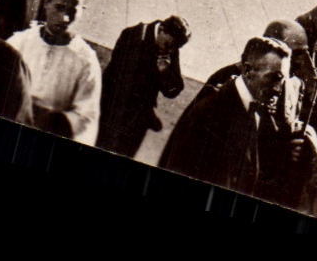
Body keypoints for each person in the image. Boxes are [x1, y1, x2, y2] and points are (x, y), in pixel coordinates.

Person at [158, 35, 290, 195]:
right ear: (248, 70)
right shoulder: (210, 113)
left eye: (282, 81)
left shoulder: (256, 111)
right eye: (273, 78)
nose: (278, 89)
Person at [7, 0, 101, 144]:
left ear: (82, 11)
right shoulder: (19, 42)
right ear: (46, 3)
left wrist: (55, 120)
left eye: (72, 11)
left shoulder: (86, 60)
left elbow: (87, 117)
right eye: (59, 7)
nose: (65, 18)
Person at [96, 14, 189, 157]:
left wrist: (165, 72)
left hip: (136, 123)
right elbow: (119, 81)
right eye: (168, 45)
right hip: (111, 111)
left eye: (174, 48)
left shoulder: (170, 48)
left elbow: (173, 90)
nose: (170, 50)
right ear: (161, 29)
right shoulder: (133, 36)